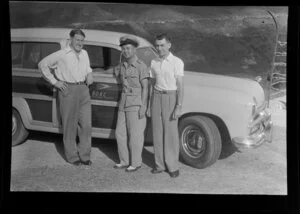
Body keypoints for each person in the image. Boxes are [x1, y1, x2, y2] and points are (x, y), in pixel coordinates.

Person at [38, 28, 93, 166]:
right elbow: (42, 64)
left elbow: (87, 68)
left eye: (82, 40)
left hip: (84, 89)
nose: (80, 43)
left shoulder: (85, 53)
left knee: (86, 125)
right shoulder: (62, 54)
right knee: (70, 125)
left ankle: (85, 155)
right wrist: (55, 82)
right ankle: (72, 156)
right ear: (71, 39)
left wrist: (90, 73)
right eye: (77, 40)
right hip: (68, 89)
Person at [147, 33, 184, 178]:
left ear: (169, 45)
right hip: (156, 97)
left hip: (170, 98)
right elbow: (152, 83)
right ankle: (160, 165)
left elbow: (180, 86)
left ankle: (172, 165)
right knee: (157, 132)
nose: (159, 48)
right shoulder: (154, 62)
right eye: (157, 45)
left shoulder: (177, 62)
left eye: (162, 45)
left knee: (170, 134)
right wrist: (150, 105)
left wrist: (178, 106)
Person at [113, 35, 149, 172]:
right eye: (123, 49)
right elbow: (118, 74)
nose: (126, 51)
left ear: (134, 50)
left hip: (136, 102)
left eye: (128, 48)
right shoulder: (122, 66)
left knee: (135, 135)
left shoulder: (141, 66)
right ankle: (124, 160)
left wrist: (143, 106)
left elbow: (146, 88)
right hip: (123, 102)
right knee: (119, 133)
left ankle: (135, 162)